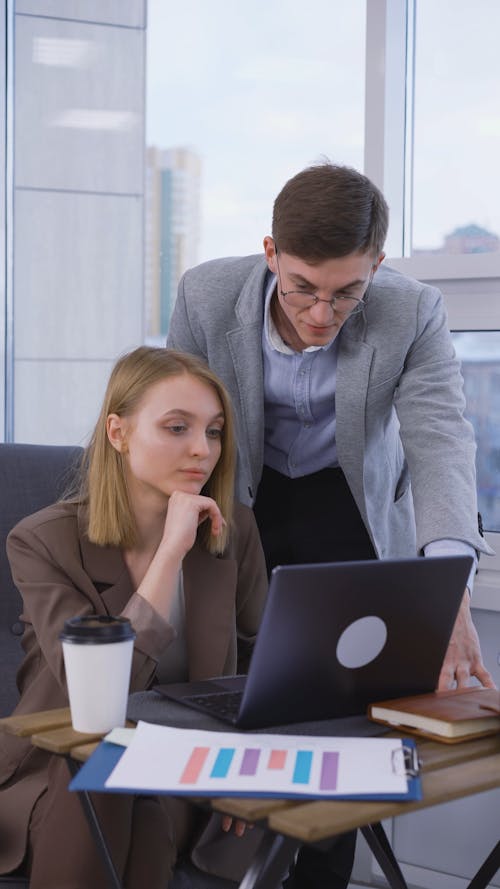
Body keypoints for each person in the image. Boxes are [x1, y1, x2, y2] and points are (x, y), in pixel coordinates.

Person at [167, 161, 495, 888]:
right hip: (245, 505)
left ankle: (319, 872)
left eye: (347, 291)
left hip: (347, 511)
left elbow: (440, 443)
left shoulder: (412, 310)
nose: (321, 313)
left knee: (339, 720)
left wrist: (450, 593)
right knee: (230, 701)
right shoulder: (205, 294)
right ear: (270, 253)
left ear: (376, 264)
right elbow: (179, 420)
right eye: (303, 289)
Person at [0, 347, 268, 889]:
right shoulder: (42, 541)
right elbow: (96, 696)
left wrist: (252, 763)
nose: (202, 449)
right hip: (63, 771)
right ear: (118, 433)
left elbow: (265, 662)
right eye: (177, 427)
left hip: (188, 771)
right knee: (111, 769)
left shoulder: (232, 530)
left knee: (138, 798)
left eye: (214, 431)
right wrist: (170, 553)